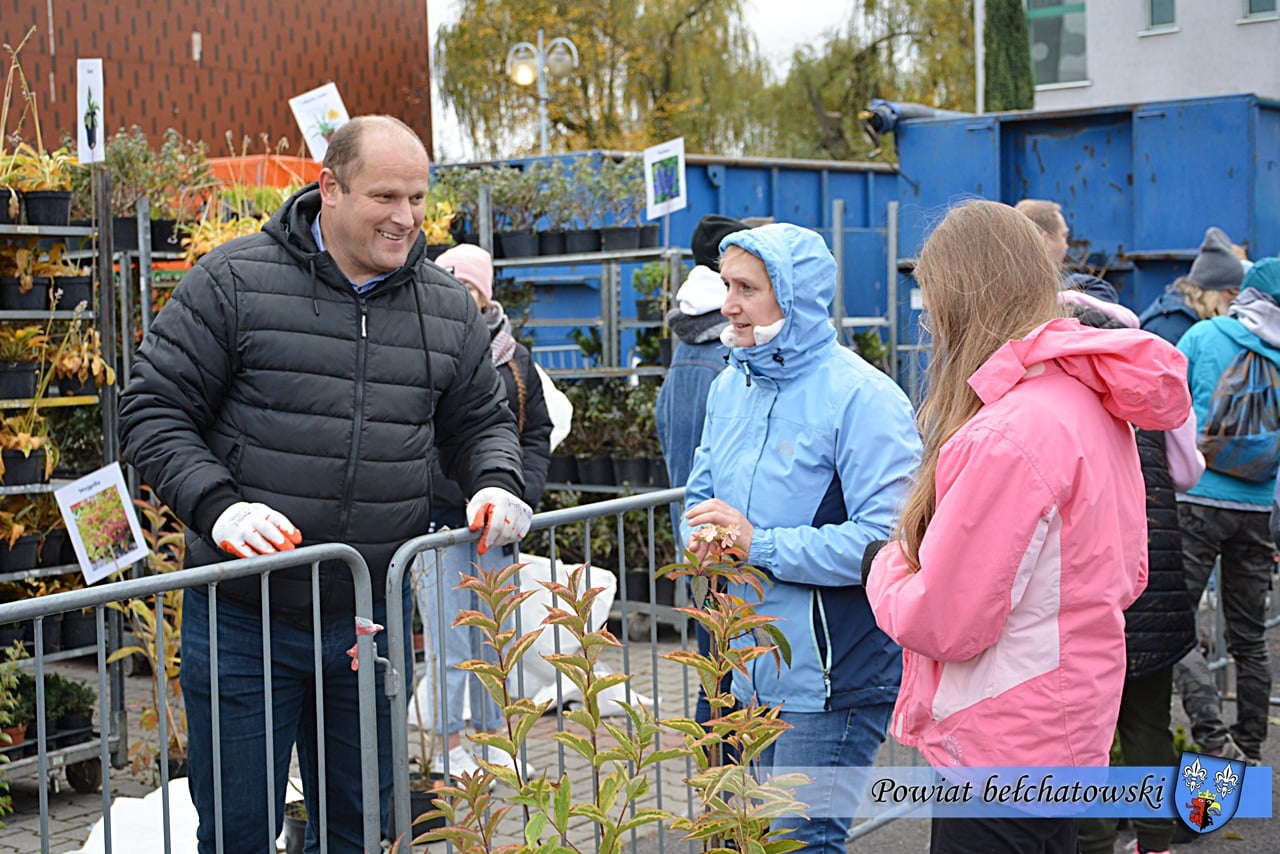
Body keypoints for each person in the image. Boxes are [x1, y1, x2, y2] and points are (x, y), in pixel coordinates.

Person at [118, 115, 531, 853]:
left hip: (366, 623)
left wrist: (496, 481)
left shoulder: (443, 307)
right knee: (240, 829)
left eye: (417, 197)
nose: (406, 218)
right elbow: (153, 410)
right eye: (385, 196)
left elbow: (481, 421)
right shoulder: (234, 281)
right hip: (244, 614)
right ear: (329, 188)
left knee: (362, 827)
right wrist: (218, 506)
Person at [863, 200, 1191, 853]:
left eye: (930, 308)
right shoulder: (1090, 401)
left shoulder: (1010, 432)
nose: (928, 326)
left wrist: (887, 567)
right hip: (1066, 725)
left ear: (962, 304)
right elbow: (1130, 571)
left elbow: (945, 621)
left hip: (1000, 745)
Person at [680, 223, 921, 853]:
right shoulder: (730, 384)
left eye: (747, 289)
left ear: (796, 298)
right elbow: (699, 497)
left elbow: (889, 546)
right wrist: (698, 538)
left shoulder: (864, 399)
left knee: (801, 843)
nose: (728, 303)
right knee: (732, 837)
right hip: (735, 663)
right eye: (726, 284)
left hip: (831, 675)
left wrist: (757, 545)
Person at [1065, 308, 1202, 854]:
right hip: (1158, 591)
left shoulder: (1065, 411)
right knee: (1148, 725)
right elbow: (1189, 472)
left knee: (1087, 736)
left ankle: (1094, 841)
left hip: (1095, 598)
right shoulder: (1149, 404)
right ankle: (1155, 841)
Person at [416, 242, 552, 777]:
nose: (460, 296)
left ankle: (498, 738)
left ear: (485, 293)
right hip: (441, 525)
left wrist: (523, 488)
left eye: (468, 286)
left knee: (499, 637)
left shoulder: (515, 359)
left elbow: (534, 431)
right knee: (450, 636)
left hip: (498, 527)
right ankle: (450, 743)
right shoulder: (420, 350)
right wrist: (449, 490)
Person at [1170, 256, 1280, 766]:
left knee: (1176, 625)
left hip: (1195, 500)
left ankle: (1214, 737)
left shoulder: (1204, 335)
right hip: (1258, 505)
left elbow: (1164, 408)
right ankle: (1252, 750)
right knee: (1249, 637)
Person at [1137, 226, 1245, 344]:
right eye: (1234, 290)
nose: (1235, 298)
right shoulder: (1170, 328)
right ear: (1214, 292)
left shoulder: (1190, 318)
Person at [1014, 198, 1120, 303]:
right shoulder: (1093, 289)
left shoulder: (1003, 292)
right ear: (1044, 240)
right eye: (1064, 236)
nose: (1066, 246)